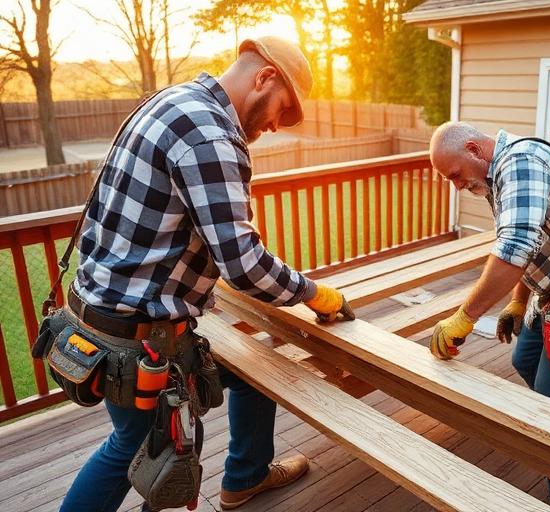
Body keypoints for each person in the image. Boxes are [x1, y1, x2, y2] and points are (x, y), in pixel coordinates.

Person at [60, 36, 355, 512]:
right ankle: (241, 477)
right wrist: (315, 293)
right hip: (135, 336)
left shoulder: (171, 100)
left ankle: (245, 477)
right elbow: (244, 266)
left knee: (255, 373)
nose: (277, 125)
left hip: (97, 310)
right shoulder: (211, 135)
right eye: (284, 109)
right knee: (133, 450)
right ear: (265, 77)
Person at [427, 122, 550, 511]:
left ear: (473, 149)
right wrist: (517, 302)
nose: (456, 185)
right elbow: (530, 245)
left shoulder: (519, 161)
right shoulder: (497, 173)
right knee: (525, 360)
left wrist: (465, 317)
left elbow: (517, 245)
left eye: (454, 174)